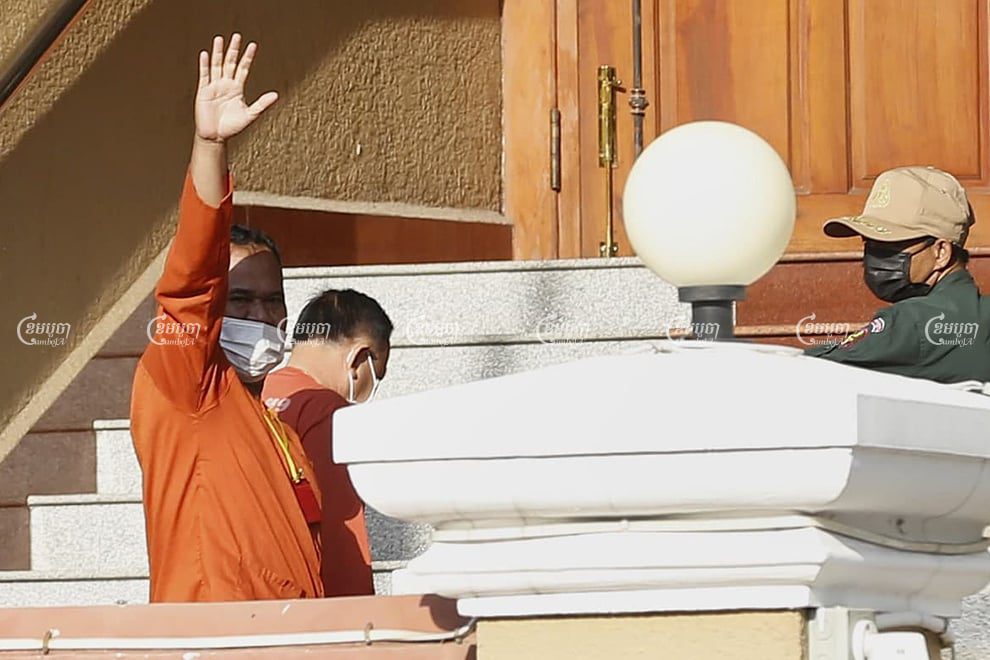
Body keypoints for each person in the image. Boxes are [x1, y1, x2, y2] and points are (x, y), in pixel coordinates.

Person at [131, 34, 324, 601]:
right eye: (239, 301)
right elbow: (192, 282)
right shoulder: (185, 380)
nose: (260, 316)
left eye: (271, 302)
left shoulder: (279, 425)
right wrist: (209, 146)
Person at [804, 166, 990, 383]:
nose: (875, 257)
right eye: (869, 244)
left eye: (890, 245)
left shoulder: (910, 322)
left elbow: (808, 371)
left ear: (941, 252)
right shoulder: (981, 315)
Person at [263, 289, 392, 597]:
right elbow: (340, 536)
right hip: (305, 601)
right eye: (376, 375)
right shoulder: (329, 414)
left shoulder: (252, 396)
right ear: (360, 358)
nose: (370, 386)